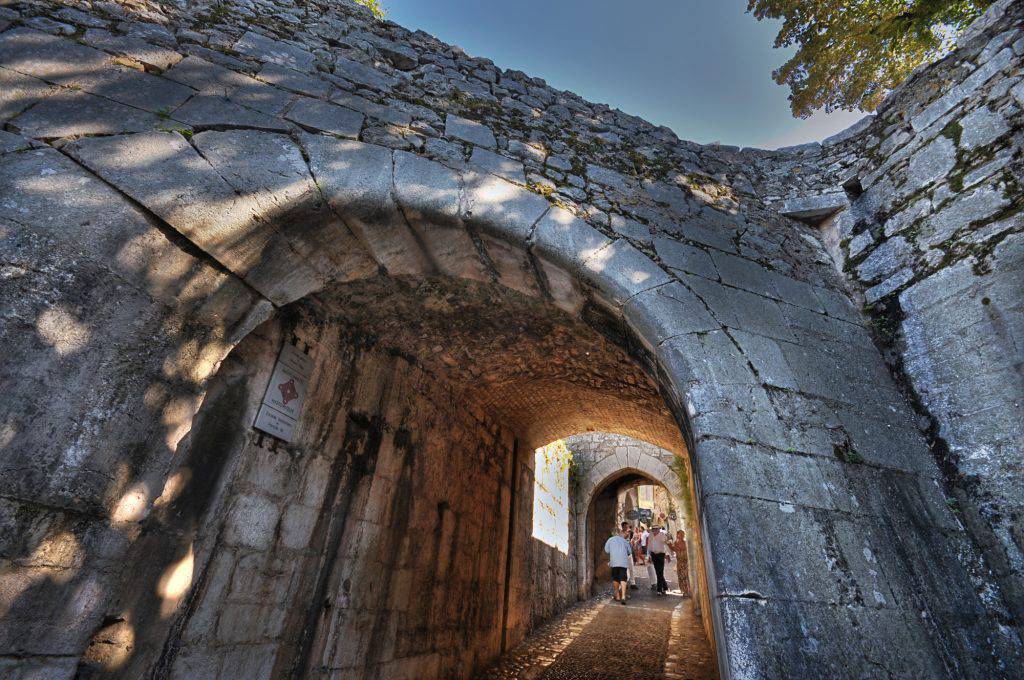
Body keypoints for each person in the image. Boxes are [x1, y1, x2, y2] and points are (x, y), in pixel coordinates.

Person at [604, 528, 632, 605]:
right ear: (620, 533)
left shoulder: (610, 540)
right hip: (623, 562)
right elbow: (629, 551)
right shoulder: (624, 540)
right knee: (623, 578)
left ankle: (617, 595)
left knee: (615, 578)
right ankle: (623, 596)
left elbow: (607, 550)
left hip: (614, 562)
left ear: (612, 533)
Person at [647, 525, 670, 595]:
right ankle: (665, 587)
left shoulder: (662, 535)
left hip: (660, 554)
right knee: (658, 572)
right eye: (653, 529)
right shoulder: (651, 535)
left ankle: (659, 589)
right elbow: (649, 546)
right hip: (654, 554)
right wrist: (649, 555)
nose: (654, 530)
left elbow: (666, 544)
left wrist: (667, 554)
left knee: (660, 571)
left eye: (656, 529)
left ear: (658, 530)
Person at [670, 528, 691, 597]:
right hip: (679, 563)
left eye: (681, 535)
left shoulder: (685, 543)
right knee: (681, 577)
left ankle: (687, 590)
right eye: (679, 535)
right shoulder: (676, 542)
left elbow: (684, 552)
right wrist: (670, 545)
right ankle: (685, 591)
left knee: (685, 577)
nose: (680, 536)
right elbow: (674, 550)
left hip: (685, 563)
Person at [621, 523, 639, 590]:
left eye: (627, 527)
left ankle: (633, 583)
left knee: (631, 568)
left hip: (629, 553)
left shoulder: (629, 533)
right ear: (622, 527)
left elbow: (630, 542)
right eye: (625, 527)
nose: (626, 528)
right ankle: (625, 584)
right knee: (624, 570)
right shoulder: (620, 534)